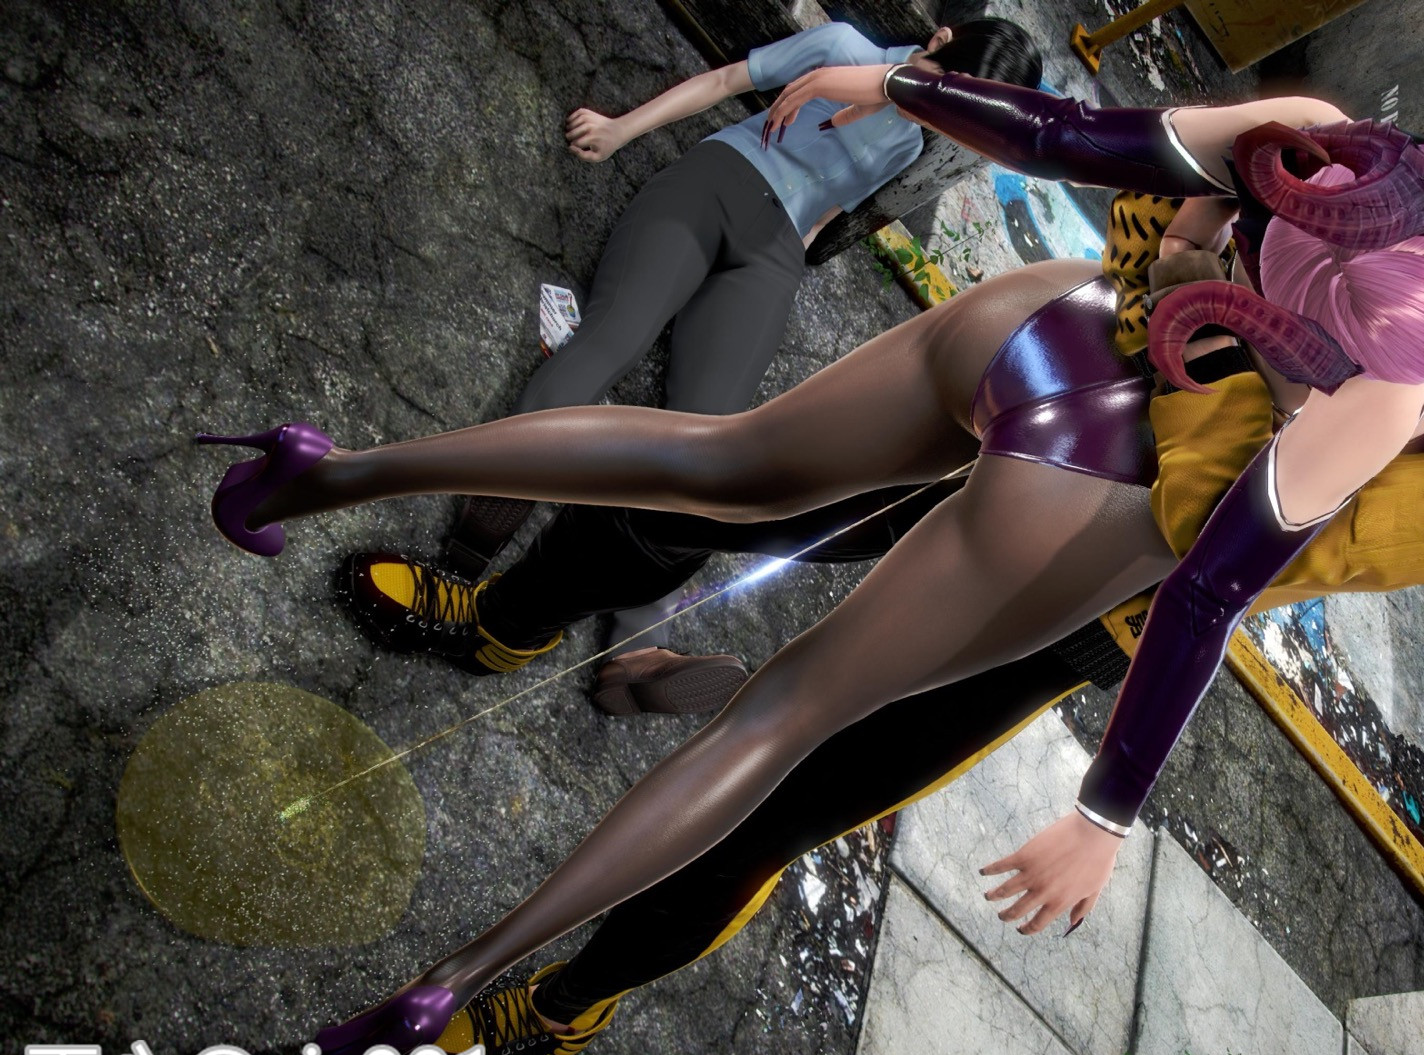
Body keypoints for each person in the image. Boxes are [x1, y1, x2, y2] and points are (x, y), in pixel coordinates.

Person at [196, 73, 1424, 1055]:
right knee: (730, 508)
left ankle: (559, 993)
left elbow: (1252, 549)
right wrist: (1183, 253)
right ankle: (500, 632)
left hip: (1092, 552)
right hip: (1085, 413)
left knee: (791, 774)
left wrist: (1109, 800)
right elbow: (1184, 230)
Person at [358, 18, 1040, 712]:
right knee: (612, 339)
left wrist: (783, 266)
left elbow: (828, 211)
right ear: (940, 41)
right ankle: (478, 533)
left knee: (711, 447)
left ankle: (634, 652)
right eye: (947, 93)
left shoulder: (911, 140)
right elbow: (727, 80)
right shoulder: (843, 49)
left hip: (774, 253)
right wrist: (620, 129)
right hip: (717, 184)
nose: (941, 117)